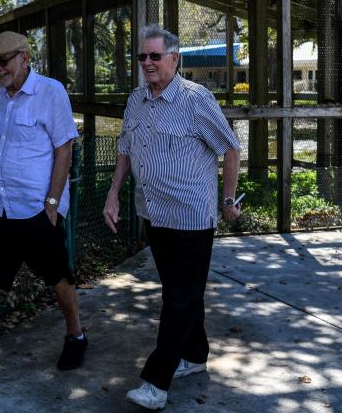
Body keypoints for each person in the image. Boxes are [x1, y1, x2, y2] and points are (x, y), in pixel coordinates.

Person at [103, 24, 242, 410]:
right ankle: (195, 355)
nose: (147, 63)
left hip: (191, 218)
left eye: (155, 56)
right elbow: (126, 150)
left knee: (179, 298)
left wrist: (228, 199)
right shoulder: (136, 100)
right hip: (154, 213)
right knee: (181, 293)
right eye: (142, 57)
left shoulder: (196, 99)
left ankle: (156, 381)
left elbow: (230, 150)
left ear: (174, 59)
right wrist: (113, 193)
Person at [0, 30, 87, 387]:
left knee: (57, 277)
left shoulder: (50, 93)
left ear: (25, 58)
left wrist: (52, 204)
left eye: (3, 60)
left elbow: (64, 150)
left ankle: (76, 335)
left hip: (37, 209)